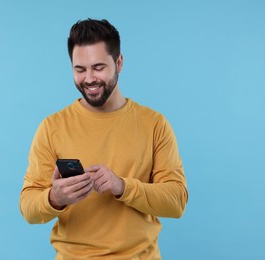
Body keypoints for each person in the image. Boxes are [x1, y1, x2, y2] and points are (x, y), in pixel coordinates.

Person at [20, 18, 188, 259]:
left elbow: (177, 201)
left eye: (98, 67)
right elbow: (28, 208)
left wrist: (122, 186)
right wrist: (55, 198)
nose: (89, 79)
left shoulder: (155, 124)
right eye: (80, 69)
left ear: (119, 63)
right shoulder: (51, 127)